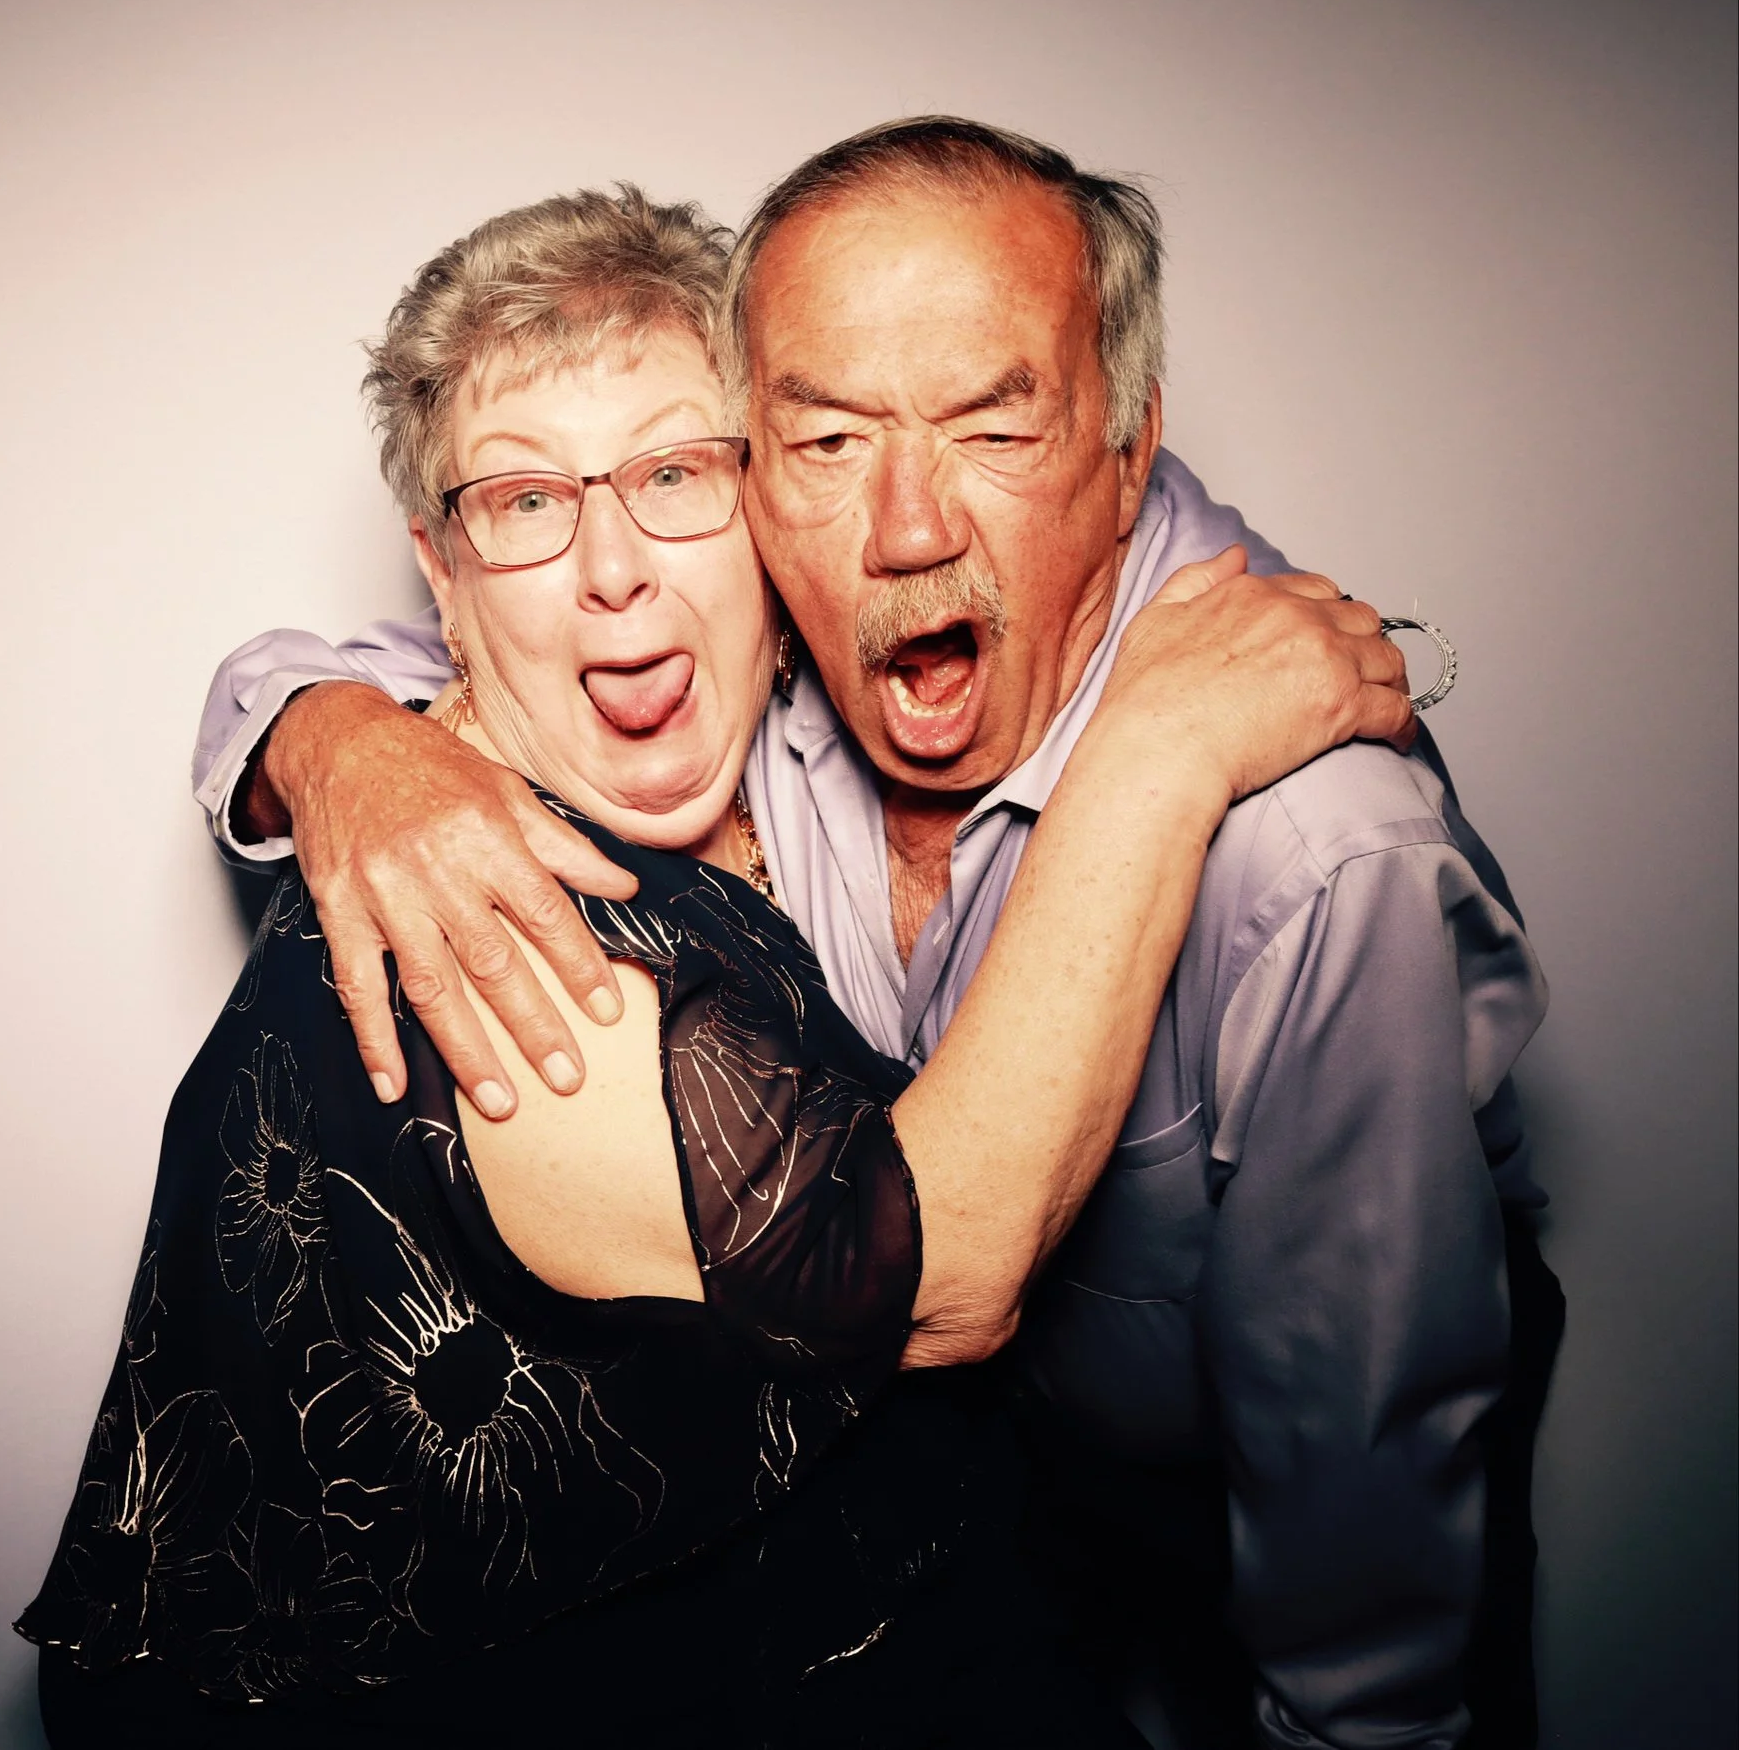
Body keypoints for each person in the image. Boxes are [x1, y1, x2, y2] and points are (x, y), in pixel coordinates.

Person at [193, 121, 1559, 1750]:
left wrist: (1166, 757)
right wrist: (330, 734)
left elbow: (1369, 1581)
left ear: (1127, 455)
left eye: (996, 427)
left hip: (1249, 1566)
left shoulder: (1323, 867)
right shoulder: (734, 695)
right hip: (963, 1570)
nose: (906, 530)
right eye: (827, 440)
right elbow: (494, 632)